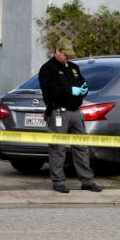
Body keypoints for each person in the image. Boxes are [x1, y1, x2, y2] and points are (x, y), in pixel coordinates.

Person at [38, 38, 103, 193]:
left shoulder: (73, 67)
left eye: (69, 54)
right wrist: (70, 91)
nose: (68, 57)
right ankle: (58, 182)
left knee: (81, 147)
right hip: (59, 112)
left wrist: (84, 89)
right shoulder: (47, 69)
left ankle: (87, 181)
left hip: (76, 112)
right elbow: (50, 91)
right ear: (57, 51)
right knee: (57, 148)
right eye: (65, 54)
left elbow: (82, 83)